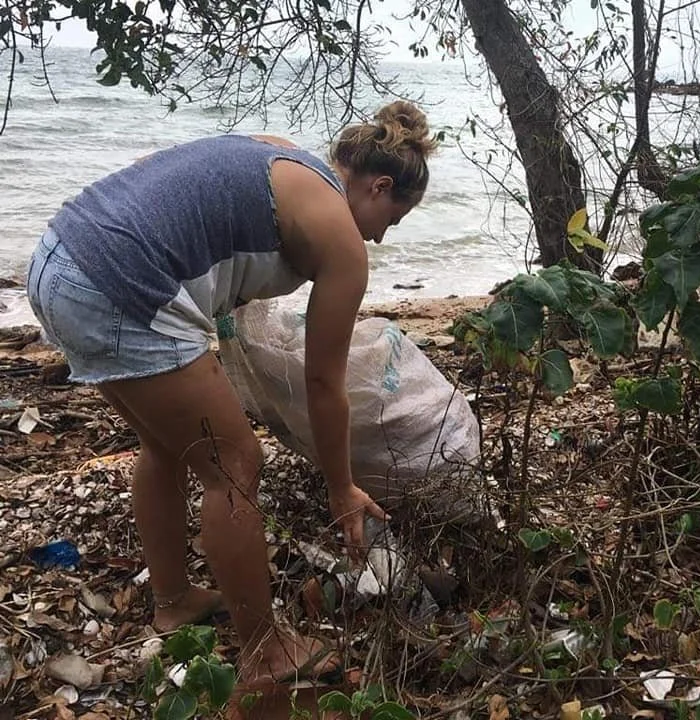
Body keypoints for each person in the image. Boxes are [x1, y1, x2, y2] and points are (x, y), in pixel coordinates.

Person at [25, 101, 437, 683]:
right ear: (379, 185)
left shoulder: (281, 150)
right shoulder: (340, 236)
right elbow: (324, 382)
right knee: (237, 463)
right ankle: (266, 653)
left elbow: (169, 179)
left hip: (60, 256)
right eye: (389, 221)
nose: (377, 236)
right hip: (121, 288)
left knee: (164, 444)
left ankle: (174, 601)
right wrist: (341, 486)